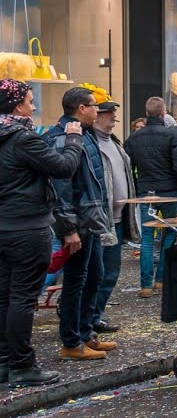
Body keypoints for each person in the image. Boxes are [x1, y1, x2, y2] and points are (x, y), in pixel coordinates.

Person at [0, 79, 85, 387]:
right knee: (23, 298)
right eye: (29, 100)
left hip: (4, 226)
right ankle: (22, 365)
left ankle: (4, 363)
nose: (34, 107)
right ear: (16, 105)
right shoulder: (22, 138)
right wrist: (74, 140)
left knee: (4, 297)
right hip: (26, 228)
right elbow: (63, 167)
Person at [46, 87, 118, 361]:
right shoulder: (65, 137)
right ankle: (71, 341)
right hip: (78, 222)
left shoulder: (83, 134)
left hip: (90, 221)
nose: (97, 111)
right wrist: (69, 229)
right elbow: (62, 187)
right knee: (77, 281)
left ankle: (85, 333)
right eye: (93, 106)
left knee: (94, 276)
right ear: (80, 108)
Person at [124, 97, 177, 298]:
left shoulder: (134, 138)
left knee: (147, 239)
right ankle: (161, 279)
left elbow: (127, 167)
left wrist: (137, 187)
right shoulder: (172, 135)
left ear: (147, 113)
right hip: (169, 190)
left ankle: (145, 285)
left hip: (146, 192)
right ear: (163, 114)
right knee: (169, 234)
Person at [90, 100, 138, 335]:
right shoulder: (88, 142)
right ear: (95, 115)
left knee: (111, 272)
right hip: (100, 219)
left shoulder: (115, 143)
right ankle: (87, 319)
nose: (113, 120)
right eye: (109, 115)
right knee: (96, 273)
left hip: (117, 218)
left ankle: (95, 315)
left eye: (114, 116)